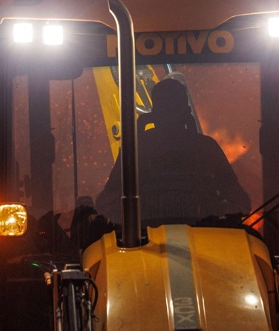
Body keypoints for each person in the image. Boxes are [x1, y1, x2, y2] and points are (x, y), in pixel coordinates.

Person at [96, 77, 250, 226]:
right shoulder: (206, 148)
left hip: (142, 243)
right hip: (205, 239)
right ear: (186, 111)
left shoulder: (134, 152)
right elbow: (240, 201)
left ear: (154, 113)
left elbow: (106, 203)